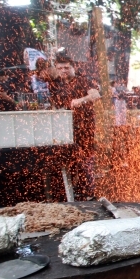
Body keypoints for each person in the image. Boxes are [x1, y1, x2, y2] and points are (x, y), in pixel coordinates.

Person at [43, 53, 101, 199]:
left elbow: (96, 95)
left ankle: (88, 193)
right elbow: (55, 105)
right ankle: (68, 192)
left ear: (73, 67)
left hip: (84, 127)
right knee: (68, 159)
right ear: (56, 68)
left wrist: (81, 100)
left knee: (85, 159)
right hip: (64, 129)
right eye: (60, 68)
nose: (64, 71)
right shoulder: (54, 84)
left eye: (67, 68)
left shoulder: (82, 81)